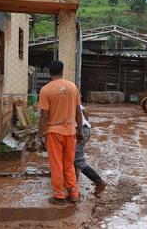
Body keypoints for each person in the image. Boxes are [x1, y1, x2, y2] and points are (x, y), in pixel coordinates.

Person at [36, 60, 84, 205]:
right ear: (62, 71)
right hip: (70, 131)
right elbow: (78, 112)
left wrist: (39, 135)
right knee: (69, 164)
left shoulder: (46, 90)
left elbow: (44, 116)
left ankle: (59, 195)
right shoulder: (73, 87)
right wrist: (80, 130)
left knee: (56, 164)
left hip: (54, 132)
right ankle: (73, 193)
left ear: (49, 72)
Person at [75, 105, 107, 196]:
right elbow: (85, 112)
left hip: (78, 130)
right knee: (73, 159)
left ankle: (99, 182)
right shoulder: (71, 96)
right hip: (84, 129)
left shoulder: (67, 98)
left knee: (78, 161)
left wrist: (80, 129)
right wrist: (86, 125)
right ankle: (74, 187)